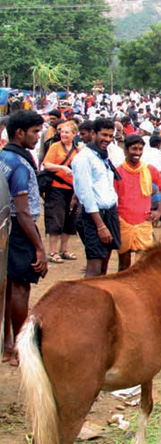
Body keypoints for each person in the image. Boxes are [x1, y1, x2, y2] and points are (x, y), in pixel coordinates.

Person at [0, 111, 48, 364]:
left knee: (8, 287)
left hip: (6, 228)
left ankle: (8, 345)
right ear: (19, 133)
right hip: (20, 229)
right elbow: (22, 210)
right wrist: (39, 246)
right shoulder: (19, 164)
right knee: (20, 288)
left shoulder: (3, 157)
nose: (37, 137)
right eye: (34, 132)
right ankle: (19, 347)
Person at [71, 117, 122, 277]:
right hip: (95, 216)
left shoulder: (103, 156)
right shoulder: (83, 159)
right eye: (104, 135)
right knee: (94, 265)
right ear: (93, 133)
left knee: (104, 262)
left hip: (110, 212)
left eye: (110, 136)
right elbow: (86, 195)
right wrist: (100, 226)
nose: (107, 139)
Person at [115, 135, 161, 271]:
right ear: (126, 150)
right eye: (134, 149)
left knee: (143, 268)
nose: (137, 153)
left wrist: (159, 212)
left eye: (140, 149)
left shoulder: (149, 169)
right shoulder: (118, 172)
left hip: (144, 222)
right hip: (123, 223)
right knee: (123, 266)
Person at [41, 120, 81, 264]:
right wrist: (62, 168)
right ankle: (52, 252)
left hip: (72, 190)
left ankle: (64, 249)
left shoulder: (78, 150)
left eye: (67, 132)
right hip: (56, 188)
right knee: (55, 218)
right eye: (62, 132)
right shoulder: (55, 147)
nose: (63, 134)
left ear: (74, 134)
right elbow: (46, 164)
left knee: (69, 220)